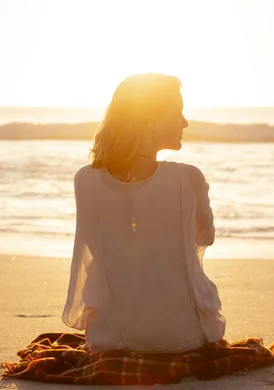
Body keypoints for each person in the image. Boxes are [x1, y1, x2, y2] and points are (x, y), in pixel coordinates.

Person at [62, 73, 226, 353]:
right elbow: (205, 237)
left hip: (108, 338)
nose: (185, 122)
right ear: (150, 118)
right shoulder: (187, 179)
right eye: (177, 112)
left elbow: (97, 247)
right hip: (186, 336)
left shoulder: (85, 180)